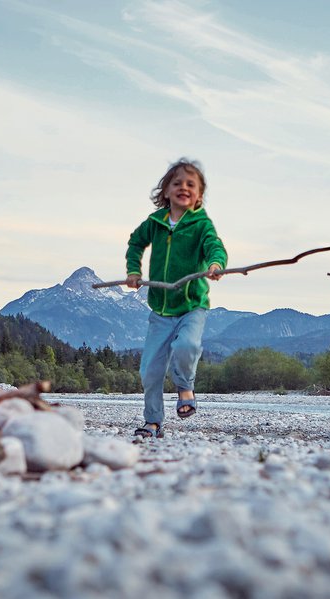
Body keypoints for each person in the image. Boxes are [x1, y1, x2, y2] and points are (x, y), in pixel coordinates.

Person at [124, 158, 227, 439]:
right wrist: (133, 270)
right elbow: (135, 243)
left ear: (199, 196)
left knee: (188, 345)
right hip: (160, 310)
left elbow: (214, 247)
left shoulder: (201, 225)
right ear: (166, 191)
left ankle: (185, 388)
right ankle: (153, 422)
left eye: (191, 184)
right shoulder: (155, 223)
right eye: (177, 183)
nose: (184, 187)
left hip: (192, 305)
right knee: (150, 371)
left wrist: (216, 265)